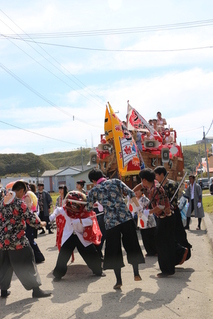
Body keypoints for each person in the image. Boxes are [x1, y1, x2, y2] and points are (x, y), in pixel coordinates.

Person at [87, 168, 145, 290]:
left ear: (93, 180)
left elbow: (89, 207)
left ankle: (118, 280)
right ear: (102, 175)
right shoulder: (116, 182)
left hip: (111, 222)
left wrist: (98, 202)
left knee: (114, 250)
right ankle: (136, 273)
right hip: (126, 218)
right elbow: (131, 193)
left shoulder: (94, 190)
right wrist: (139, 209)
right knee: (132, 244)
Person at [0, 181, 51, 298]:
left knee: (5, 264)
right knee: (28, 261)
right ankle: (36, 290)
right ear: (22, 191)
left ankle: (3, 290)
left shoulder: (2, 202)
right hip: (18, 241)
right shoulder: (19, 203)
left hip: (3, 241)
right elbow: (30, 218)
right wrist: (41, 223)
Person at [49, 191, 104, 281]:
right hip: (69, 235)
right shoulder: (66, 210)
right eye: (72, 203)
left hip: (81, 236)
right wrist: (53, 215)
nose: (74, 206)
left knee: (91, 253)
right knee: (63, 255)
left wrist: (80, 221)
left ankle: (98, 271)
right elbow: (58, 210)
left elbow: (91, 221)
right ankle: (58, 275)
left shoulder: (85, 211)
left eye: (76, 203)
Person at [134, 168, 175, 278]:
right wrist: (131, 191)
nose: (141, 183)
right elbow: (140, 186)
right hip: (160, 218)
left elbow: (161, 206)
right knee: (161, 243)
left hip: (165, 217)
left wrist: (149, 212)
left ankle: (168, 269)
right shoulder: (152, 185)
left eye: (142, 180)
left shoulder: (156, 188)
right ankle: (168, 267)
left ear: (145, 179)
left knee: (161, 244)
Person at [154, 166, 192, 265]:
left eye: (156, 175)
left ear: (162, 174)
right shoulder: (160, 185)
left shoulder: (170, 184)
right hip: (165, 213)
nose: (156, 178)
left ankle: (183, 252)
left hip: (172, 212)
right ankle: (174, 258)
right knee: (170, 237)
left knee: (176, 235)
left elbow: (166, 199)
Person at [134, 188, 157, 257]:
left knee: (151, 236)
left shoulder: (145, 199)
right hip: (141, 220)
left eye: (138, 190)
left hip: (148, 220)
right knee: (144, 236)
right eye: (135, 191)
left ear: (141, 191)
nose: (136, 192)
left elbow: (150, 208)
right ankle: (149, 251)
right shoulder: (135, 199)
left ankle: (155, 251)